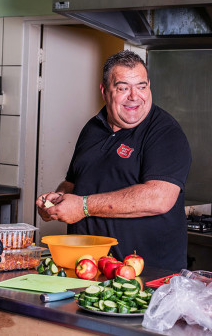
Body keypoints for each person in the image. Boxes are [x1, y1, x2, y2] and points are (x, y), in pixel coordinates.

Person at [36, 50, 192, 271]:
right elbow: (73, 182)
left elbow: (159, 197)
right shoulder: (92, 128)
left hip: (146, 276)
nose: (134, 96)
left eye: (142, 86)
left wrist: (82, 206)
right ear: (104, 91)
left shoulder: (165, 132)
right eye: (122, 88)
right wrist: (58, 201)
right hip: (88, 268)